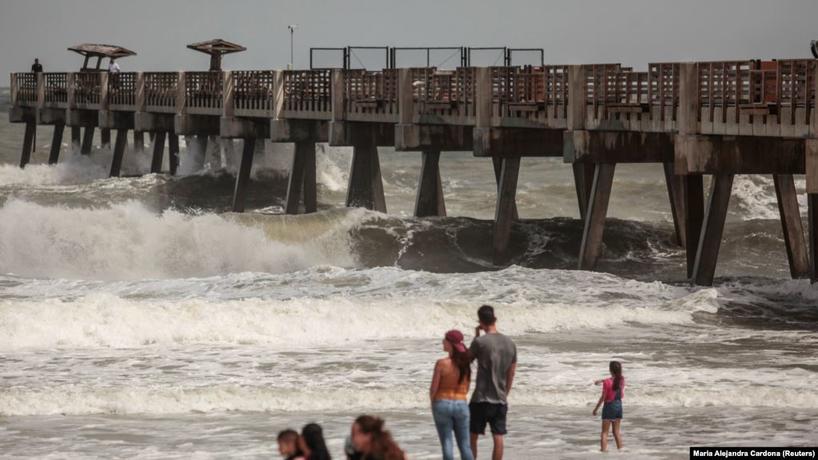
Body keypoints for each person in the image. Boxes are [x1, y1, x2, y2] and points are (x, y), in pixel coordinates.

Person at [469, 305, 517, 460]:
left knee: (472, 436)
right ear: (494, 319)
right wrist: (505, 394)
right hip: (500, 399)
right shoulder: (510, 343)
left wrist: (476, 336)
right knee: (498, 436)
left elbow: (466, 360)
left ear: (481, 322)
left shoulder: (480, 342)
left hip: (481, 398)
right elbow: (511, 373)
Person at [430, 329, 474, 460]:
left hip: (442, 403)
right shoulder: (466, 364)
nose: (443, 342)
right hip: (461, 404)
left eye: (445, 340)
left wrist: (433, 404)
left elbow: (433, 389)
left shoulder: (441, 363)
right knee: (465, 445)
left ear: (450, 344)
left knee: (447, 442)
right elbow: (466, 389)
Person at [592, 361, 625, 452]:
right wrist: (602, 380)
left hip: (609, 407)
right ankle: (621, 451)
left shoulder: (607, 382)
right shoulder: (621, 379)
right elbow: (613, 380)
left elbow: (603, 397)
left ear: (610, 369)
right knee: (616, 432)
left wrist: (595, 409)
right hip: (618, 406)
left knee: (604, 433)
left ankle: (603, 452)